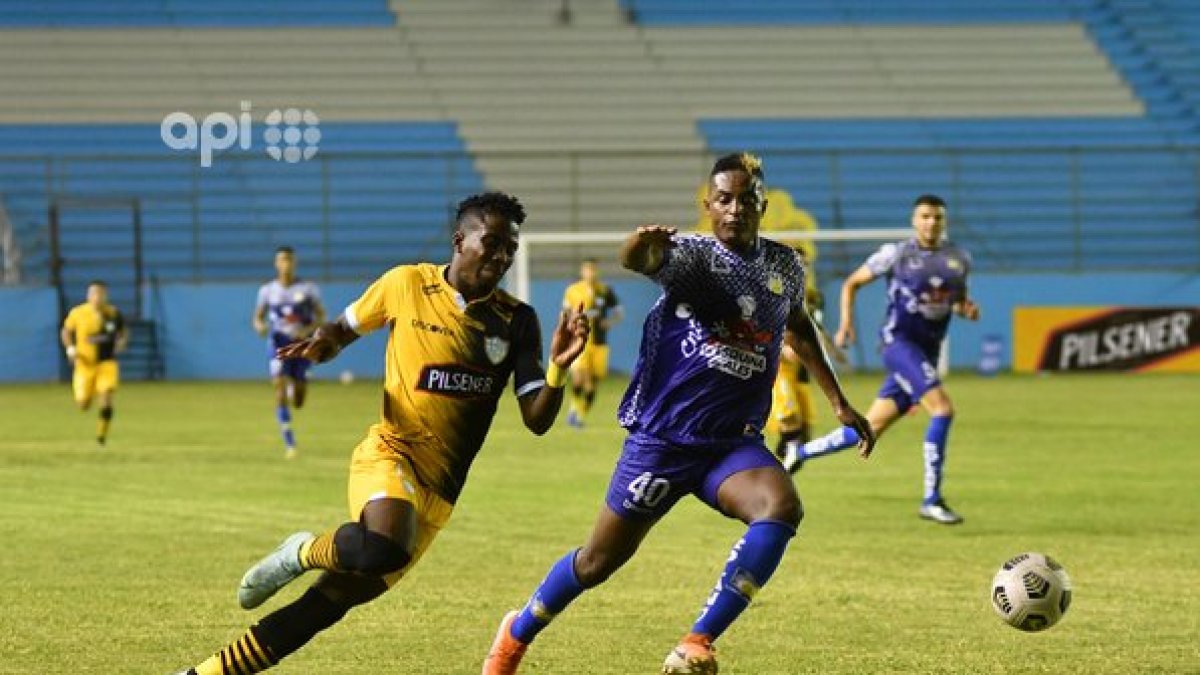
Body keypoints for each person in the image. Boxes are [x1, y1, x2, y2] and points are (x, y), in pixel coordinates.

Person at [482, 154, 874, 675]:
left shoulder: (783, 265)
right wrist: (642, 244)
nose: (736, 209)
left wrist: (839, 401)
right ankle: (516, 634)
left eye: (747, 200)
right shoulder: (691, 256)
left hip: (731, 444)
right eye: (725, 200)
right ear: (708, 206)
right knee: (597, 563)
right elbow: (636, 260)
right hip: (663, 440)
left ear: (761, 204)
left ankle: (697, 641)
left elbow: (798, 326)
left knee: (780, 507)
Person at [174, 192, 590, 675]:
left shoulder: (517, 320)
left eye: (509, 250)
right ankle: (304, 550)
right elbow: (343, 327)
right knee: (383, 546)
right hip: (391, 453)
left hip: (441, 493)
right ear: (460, 240)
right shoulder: (406, 284)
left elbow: (536, 420)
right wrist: (324, 346)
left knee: (325, 606)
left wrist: (559, 366)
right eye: (491, 244)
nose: (501, 258)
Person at [784, 194, 980, 526]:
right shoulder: (897, 254)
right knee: (943, 409)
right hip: (898, 345)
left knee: (868, 427)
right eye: (925, 216)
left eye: (937, 218)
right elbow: (852, 283)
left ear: (944, 222)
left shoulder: (959, 259)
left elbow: (955, 301)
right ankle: (932, 500)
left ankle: (797, 453)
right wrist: (846, 323)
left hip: (926, 352)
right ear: (914, 220)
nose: (931, 223)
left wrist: (965, 309)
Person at [253, 246, 326, 458]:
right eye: (282, 260)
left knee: (299, 401)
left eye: (289, 260)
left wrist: (307, 329)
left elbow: (322, 316)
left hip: (302, 345)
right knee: (279, 389)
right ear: (276, 263)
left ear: (294, 263)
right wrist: (259, 325)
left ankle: (297, 386)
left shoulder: (308, 289)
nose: (286, 264)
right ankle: (289, 442)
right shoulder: (267, 291)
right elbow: (258, 316)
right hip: (278, 343)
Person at [61, 280, 127, 445]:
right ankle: (89, 396)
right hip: (85, 364)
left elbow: (123, 331)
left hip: (107, 363)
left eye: (100, 293)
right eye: (93, 293)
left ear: (106, 296)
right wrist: (70, 348)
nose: (97, 297)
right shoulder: (78, 313)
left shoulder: (113, 314)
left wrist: (121, 341)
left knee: (106, 396)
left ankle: (101, 436)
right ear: (88, 295)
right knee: (83, 403)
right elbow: (66, 331)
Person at [560, 258, 624, 427]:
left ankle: (580, 415)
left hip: (599, 343)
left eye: (594, 270)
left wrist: (609, 322)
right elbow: (565, 313)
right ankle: (574, 409)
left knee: (592, 383)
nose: (591, 273)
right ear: (582, 271)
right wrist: (570, 325)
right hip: (580, 341)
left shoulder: (605, 291)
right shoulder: (573, 291)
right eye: (588, 270)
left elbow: (619, 312)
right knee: (580, 377)